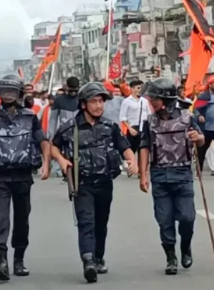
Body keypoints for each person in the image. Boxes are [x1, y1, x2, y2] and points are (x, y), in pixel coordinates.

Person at [51, 82, 138, 283]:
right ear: (84, 104)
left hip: (105, 182)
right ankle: (88, 261)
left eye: (101, 101)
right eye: (94, 102)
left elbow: (124, 147)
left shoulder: (110, 126)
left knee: (101, 222)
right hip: (82, 184)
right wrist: (62, 160)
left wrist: (132, 161)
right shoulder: (70, 127)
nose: (99, 106)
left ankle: (98, 257)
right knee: (86, 221)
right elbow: (53, 146)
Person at [0, 74, 51, 281]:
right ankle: (1, 261)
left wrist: (46, 163)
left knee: (22, 219)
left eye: (12, 91)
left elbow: (43, 141)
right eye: (4, 91)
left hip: (23, 176)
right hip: (0, 177)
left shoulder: (30, 116)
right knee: (0, 218)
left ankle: (19, 259)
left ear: (19, 93)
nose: (8, 95)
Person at [138, 78, 205, 275]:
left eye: (155, 98)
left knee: (187, 217)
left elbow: (201, 139)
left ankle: (185, 246)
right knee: (164, 220)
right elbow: (144, 147)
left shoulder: (187, 117)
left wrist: (198, 138)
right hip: (159, 175)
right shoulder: (149, 121)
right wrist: (143, 175)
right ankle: (170, 257)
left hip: (183, 174)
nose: (151, 102)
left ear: (166, 99)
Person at [48, 77, 81, 178]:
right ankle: (59, 169)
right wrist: (51, 135)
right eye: (71, 90)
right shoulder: (59, 100)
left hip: (79, 130)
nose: (73, 93)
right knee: (58, 148)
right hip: (63, 130)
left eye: (75, 90)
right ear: (66, 87)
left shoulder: (82, 98)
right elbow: (53, 119)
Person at [120, 80, 150, 167]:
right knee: (131, 150)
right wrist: (129, 128)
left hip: (144, 128)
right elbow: (122, 117)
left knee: (143, 151)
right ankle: (130, 167)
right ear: (132, 89)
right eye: (138, 88)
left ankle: (142, 170)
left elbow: (149, 115)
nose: (140, 90)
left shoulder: (145, 101)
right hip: (133, 128)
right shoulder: (127, 101)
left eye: (141, 88)